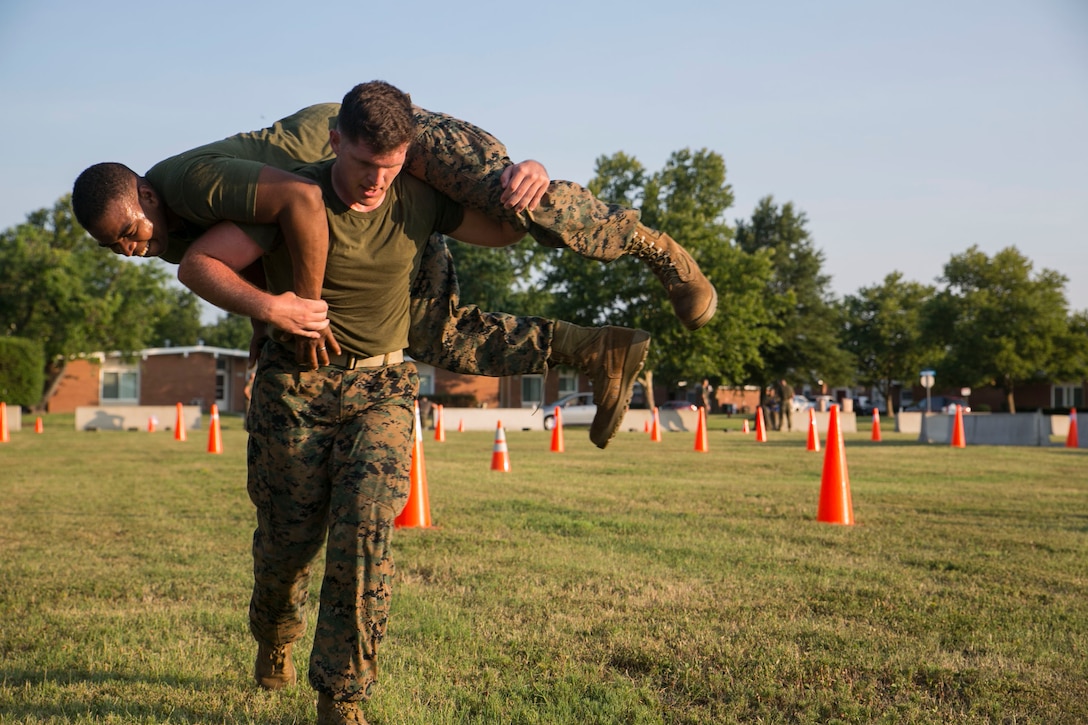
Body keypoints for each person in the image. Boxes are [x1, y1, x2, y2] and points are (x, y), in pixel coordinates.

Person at [177, 81, 544, 724]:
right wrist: (270, 306)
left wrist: (529, 177)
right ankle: (275, 632)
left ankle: (341, 696)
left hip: (384, 388)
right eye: (365, 165)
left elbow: (505, 231)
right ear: (334, 139)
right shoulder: (294, 192)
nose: (377, 182)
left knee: (367, 524)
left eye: (392, 166)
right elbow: (200, 263)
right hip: (295, 391)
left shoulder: (418, 196)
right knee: (286, 548)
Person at [73, 106, 649, 449]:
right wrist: (266, 327)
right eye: (112, 246)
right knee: (429, 331)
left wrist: (305, 307)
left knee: (512, 195)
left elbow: (299, 201)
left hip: (366, 143)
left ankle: (655, 249)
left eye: (127, 231)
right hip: (351, 202)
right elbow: (255, 261)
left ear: (146, 194)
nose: (127, 249)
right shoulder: (169, 234)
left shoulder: (192, 184)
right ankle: (600, 349)